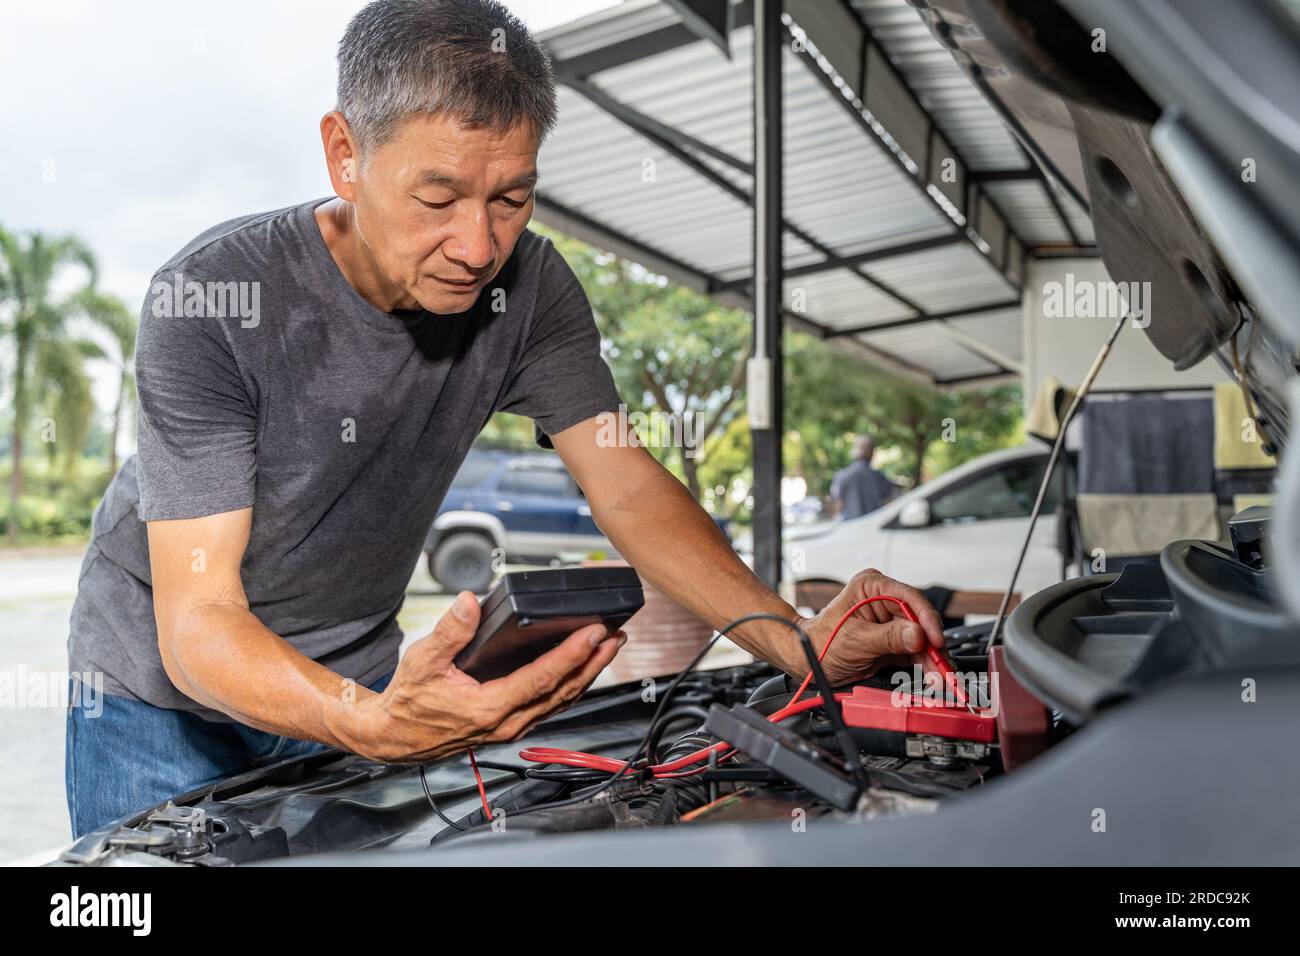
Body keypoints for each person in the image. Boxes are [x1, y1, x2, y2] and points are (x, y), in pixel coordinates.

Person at [64, 0, 946, 836]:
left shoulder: (531, 291)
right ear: (344, 153)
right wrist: (364, 722)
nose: (480, 247)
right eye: (438, 197)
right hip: (159, 698)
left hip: (363, 671)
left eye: (511, 199)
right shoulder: (213, 298)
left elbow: (628, 487)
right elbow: (199, 620)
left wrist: (796, 644)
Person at [830, 435, 895, 519]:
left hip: (849, 527)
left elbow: (838, 507)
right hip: (874, 527)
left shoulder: (841, 476)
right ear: (872, 453)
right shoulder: (880, 477)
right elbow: (888, 505)